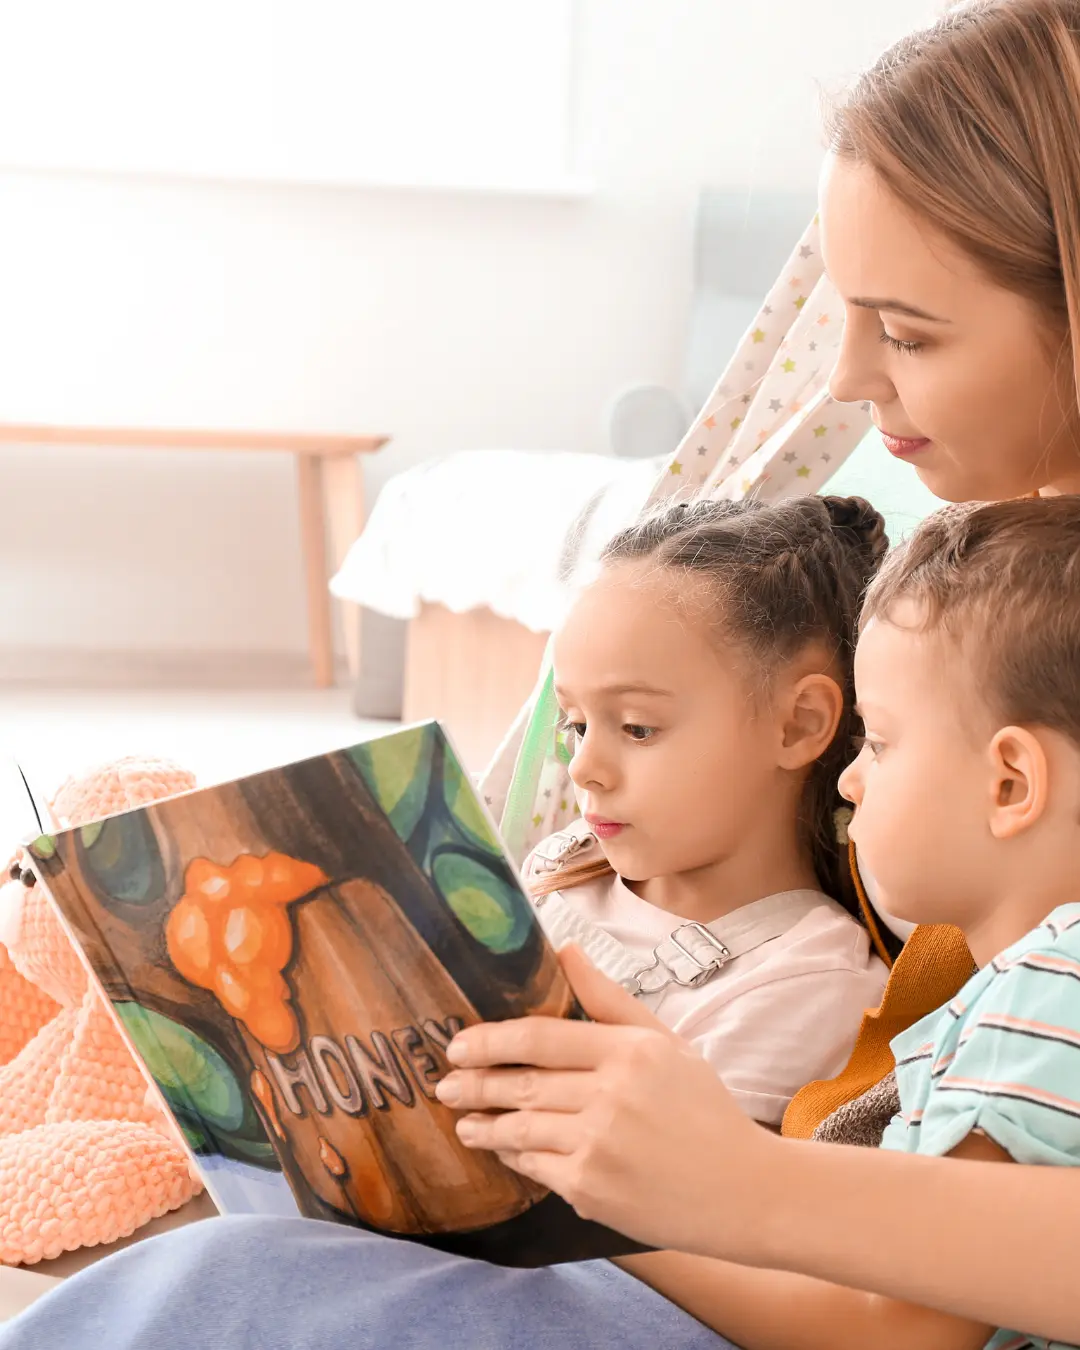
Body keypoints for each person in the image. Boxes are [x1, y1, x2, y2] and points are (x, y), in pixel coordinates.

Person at [8, 0, 1080, 1345]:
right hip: (788, 1224)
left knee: (250, 1287)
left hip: (808, 1246)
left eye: (910, 332)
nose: (851, 376)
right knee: (258, 1229)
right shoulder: (982, 574)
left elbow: (903, 1310)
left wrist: (722, 1179)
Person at [445, 496, 1080, 1350]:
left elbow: (897, 1332)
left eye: (880, 744)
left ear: (1010, 783)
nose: (850, 782)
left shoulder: (1042, 995)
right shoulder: (1006, 999)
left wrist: (601, 1198)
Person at [523, 494, 889, 1126]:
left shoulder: (808, 984)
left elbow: (688, 1200)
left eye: (637, 728)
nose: (583, 768)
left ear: (798, 725)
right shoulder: (564, 864)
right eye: (577, 724)